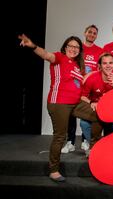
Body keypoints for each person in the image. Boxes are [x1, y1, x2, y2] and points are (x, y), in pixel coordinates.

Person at [18, 34, 85, 182]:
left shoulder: (77, 65)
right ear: (65, 47)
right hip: (59, 103)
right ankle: (54, 170)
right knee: (60, 136)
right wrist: (33, 46)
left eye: (76, 47)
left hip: (75, 103)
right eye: (71, 46)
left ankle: (93, 147)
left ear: (79, 50)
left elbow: (78, 86)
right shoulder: (59, 58)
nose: (73, 49)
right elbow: (45, 54)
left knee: (95, 114)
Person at [62, 25, 103, 154]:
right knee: (71, 114)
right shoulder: (77, 49)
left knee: (88, 114)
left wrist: (89, 76)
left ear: (96, 36)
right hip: (75, 86)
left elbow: (99, 69)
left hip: (89, 88)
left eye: (94, 33)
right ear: (85, 33)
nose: (92, 34)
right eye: (90, 32)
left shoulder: (99, 50)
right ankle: (71, 142)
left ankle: (86, 140)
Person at [80, 52, 113, 156]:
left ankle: (112, 147)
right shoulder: (92, 78)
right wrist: (92, 102)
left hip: (112, 112)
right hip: (97, 111)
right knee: (84, 123)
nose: (108, 66)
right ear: (99, 65)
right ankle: (96, 146)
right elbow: (83, 97)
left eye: (110, 63)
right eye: (104, 63)